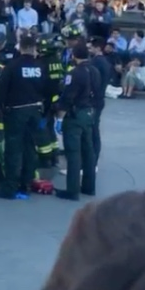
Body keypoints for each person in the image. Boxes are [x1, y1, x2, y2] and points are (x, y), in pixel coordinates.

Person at [0, 33, 56, 199]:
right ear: (34, 48)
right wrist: (45, 112)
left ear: (20, 47)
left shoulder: (12, 66)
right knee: (30, 149)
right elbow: (49, 90)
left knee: (13, 150)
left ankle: (9, 187)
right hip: (35, 111)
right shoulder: (41, 67)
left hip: (16, 111)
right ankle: (26, 184)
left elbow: (0, 91)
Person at [54, 42, 99, 201]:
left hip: (75, 115)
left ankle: (72, 190)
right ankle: (89, 186)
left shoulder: (74, 73)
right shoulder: (94, 71)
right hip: (89, 113)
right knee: (88, 151)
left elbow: (67, 97)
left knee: (73, 153)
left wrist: (59, 117)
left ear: (74, 55)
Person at [88, 38, 113, 169]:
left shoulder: (95, 63)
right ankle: (93, 162)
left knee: (92, 131)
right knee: (94, 130)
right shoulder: (105, 62)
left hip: (93, 100)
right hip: (100, 98)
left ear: (97, 48)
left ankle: (91, 162)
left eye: (91, 47)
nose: (89, 49)